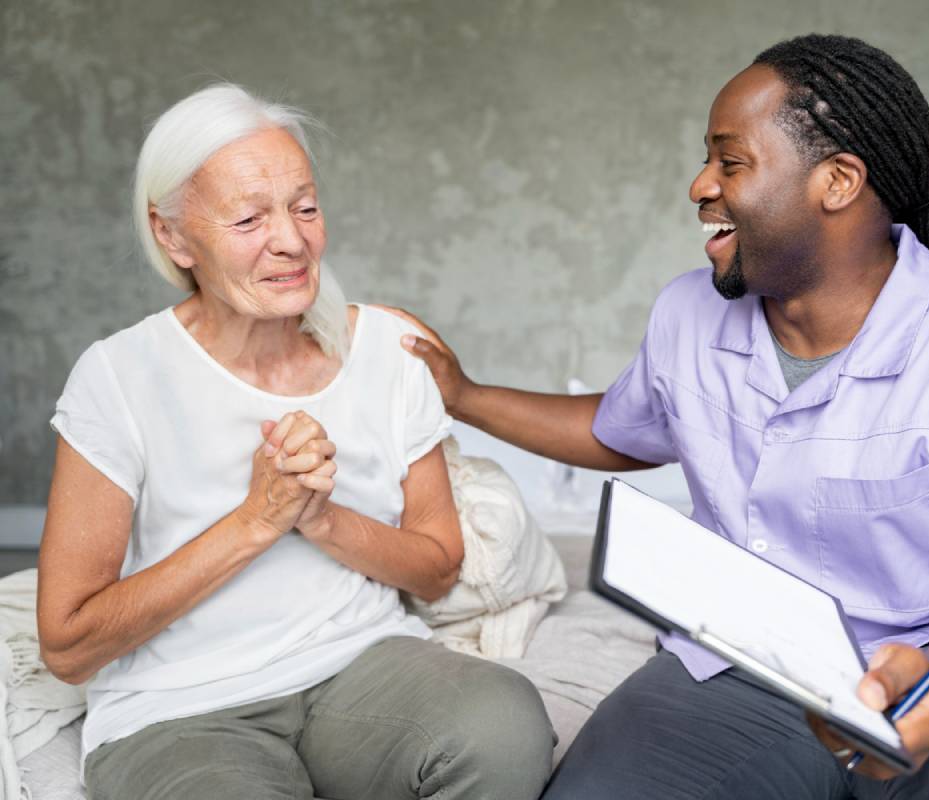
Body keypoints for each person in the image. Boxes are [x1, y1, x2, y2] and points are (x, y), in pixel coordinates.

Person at [389, 34, 929, 800]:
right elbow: (618, 429)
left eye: (730, 161)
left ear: (838, 181)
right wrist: (465, 394)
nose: (699, 185)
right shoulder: (688, 316)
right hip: (744, 665)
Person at [36, 84, 554, 800]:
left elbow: (437, 568)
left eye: (305, 208)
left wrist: (318, 517)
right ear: (173, 235)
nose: (292, 240)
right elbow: (68, 644)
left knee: (504, 727)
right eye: (249, 218)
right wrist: (258, 519)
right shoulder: (119, 376)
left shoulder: (389, 349)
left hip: (356, 668)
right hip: (181, 709)